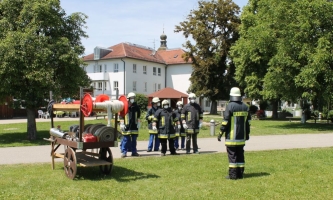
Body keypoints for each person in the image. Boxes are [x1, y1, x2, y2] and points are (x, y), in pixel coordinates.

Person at [218, 87, 251, 180]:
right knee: (240, 155)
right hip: (241, 137)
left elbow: (225, 122)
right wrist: (247, 134)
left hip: (231, 138)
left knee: (232, 156)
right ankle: (240, 174)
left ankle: (233, 175)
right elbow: (248, 123)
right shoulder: (246, 107)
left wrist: (220, 133)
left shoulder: (230, 106)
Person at [120, 92, 141, 158]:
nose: (133, 99)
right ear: (128, 99)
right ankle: (124, 152)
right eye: (132, 98)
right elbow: (121, 116)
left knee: (134, 140)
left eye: (133, 98)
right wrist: (122, 124)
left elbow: (138, 116)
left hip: (134, 126)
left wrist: (139, 123)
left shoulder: (136, 107)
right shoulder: (124, 107)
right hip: (126, 126)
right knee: (126, 140)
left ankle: (134, 152)